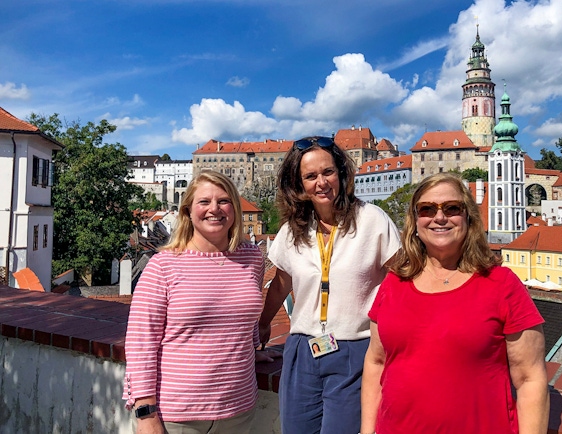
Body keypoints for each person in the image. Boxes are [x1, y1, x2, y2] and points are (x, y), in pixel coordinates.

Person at [361, 173, 550, 434]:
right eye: (427, 209)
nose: (439, 217)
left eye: (452, 208)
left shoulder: (502, 284)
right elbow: (376, 362)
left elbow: (531, 380)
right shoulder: (394, 282)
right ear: (415, 222)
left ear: (468, 219)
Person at [259, 136, 401, 434]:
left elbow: (403, 280)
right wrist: (262, 324)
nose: (321, 182)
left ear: (342, 174)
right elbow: (281, 282)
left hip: (356, 348)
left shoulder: (372, 220)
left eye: (328, 172)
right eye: (310, 176)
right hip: (301, 349)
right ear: (298, 186)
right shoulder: (292, 230)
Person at [124, 171, 276, 434]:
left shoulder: (251, 257)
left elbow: (244, 311)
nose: (214, 209)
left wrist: (251, 349)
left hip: (238, 408)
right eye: (204, 202)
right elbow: (141, 342)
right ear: (188, 211)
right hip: (178, 414)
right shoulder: (164, 265)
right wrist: (145, 413)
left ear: (235, 210)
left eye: (224, 201)